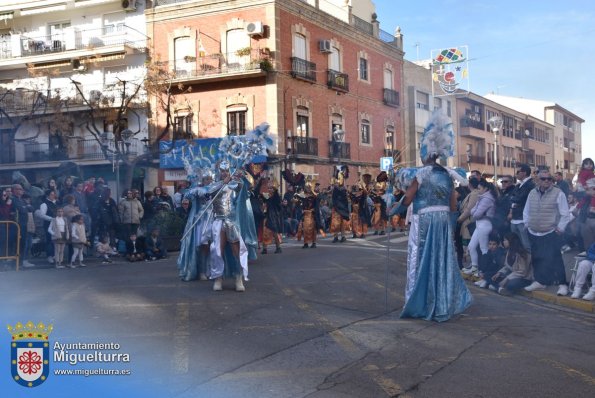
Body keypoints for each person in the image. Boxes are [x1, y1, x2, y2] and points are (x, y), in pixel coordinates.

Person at [391, 112, 472, 322]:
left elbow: (408, 199)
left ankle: (418, 302)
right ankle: (442, 301)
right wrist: (451, 223)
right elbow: (453, 202)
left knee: (419, 261)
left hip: (425, 222)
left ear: (426, 152)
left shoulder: (419, 174)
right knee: (443, 260)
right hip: (444, 222)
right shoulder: (448, 174)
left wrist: (394, 210)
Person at [523, 169, 572, 296]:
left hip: (550, 232)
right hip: (534, 232)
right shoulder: (532, 193)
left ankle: (562, 284)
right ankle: (540, 281)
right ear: (537, 180)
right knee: (537, 258)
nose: (546, 181)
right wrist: (527, 225)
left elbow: (565, 214)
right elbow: (526, 210)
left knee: (555, 259)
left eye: (549, 179)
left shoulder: (558, 193)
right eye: (543, 179)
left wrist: (560, 229)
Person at [208, 162, 249, 292]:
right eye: (222, 170)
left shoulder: (232, 184)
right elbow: (209, 191)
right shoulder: (214, 185)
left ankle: (238, 277)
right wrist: (223, 183)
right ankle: (218, 278)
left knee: (236, 250)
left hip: (231, 221)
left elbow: (242, 187)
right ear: (218, 172)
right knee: (216, 250)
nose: (224, 172)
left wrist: (240, 177)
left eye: (226, 170)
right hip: (218, 221)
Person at [462, 179, 497, 276]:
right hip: (480, 224)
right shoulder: (482, 197)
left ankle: (484, 271)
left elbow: (476, 214)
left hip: (484, 225)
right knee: (471, 246)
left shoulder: (487, 199)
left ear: (485, 188)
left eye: (479, 188)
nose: (478, 190)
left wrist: (476, 212)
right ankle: (474, 269)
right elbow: (474, 212)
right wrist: (476, 212)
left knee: (484, 248)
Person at [508, 163, 535, 252]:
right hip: (515, 218)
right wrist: (514, 201)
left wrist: (515, 200)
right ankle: (520, 263)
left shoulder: (530, 184)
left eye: (518, 171)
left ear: (524, 172)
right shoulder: (519, 185)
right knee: (517, 244)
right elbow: (511, 197)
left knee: (526, 244)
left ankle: (529, 263)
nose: (516, 173)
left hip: (523, 219)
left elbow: (521, 198)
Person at [296, 182, 322, 248]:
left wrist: (313, 210)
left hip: (312, 214)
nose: (308, 188)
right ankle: (306, 243)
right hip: (305, 214)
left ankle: (314, 242)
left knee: (313, 229)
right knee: (305, 229)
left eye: (309, 187)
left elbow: (317, 201)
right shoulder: (303, 195)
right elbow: (298, 200)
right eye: (307, 187)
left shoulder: (315, 195)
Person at [37, 189, 59, 264]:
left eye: (54, 194)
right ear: (48, 195)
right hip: (48, 224)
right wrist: (51, 219)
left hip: (56, 224)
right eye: (52, 194)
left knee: (56, 240)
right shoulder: (44, 204)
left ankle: (55, 256)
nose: (53, 196)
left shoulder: (56, 203)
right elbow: (42, 215)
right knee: (49, 240)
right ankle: (49, 256)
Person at [330, 166, 350, 243]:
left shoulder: (344, 189)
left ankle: (343, 236)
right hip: (336, 207)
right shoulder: (335, 188)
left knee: (342, 222)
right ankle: (335, 237)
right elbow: (333, 197)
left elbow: (345, 197)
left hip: (342, 207)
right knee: (335, 223)